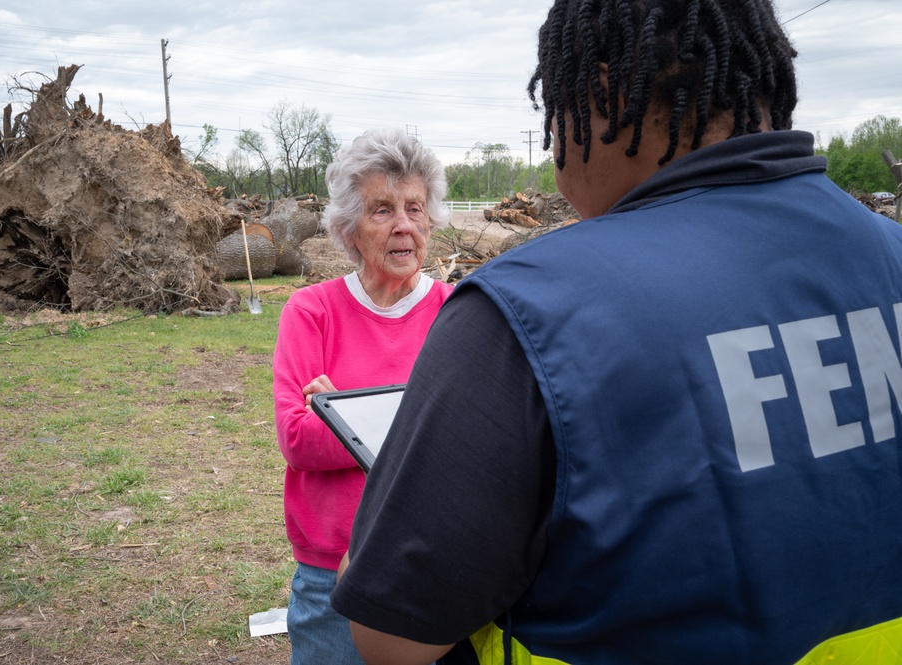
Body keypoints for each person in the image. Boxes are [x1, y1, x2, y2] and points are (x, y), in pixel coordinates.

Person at [331, 1, 902, 664]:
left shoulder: (526, 310)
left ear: (601, 89)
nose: (550, 148)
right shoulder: (890, 255)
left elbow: (389, 637)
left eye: (551, 110)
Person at [272, 128, 453, 664]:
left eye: (415, 208)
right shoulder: (312, 312)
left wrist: (344, 409)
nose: (404, 226)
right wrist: (423, 410)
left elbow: (475, 435)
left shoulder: (458, 308)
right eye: (381, 210)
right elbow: (299, 441)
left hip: (433, 560)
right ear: (349, 229)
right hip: (332, 573)